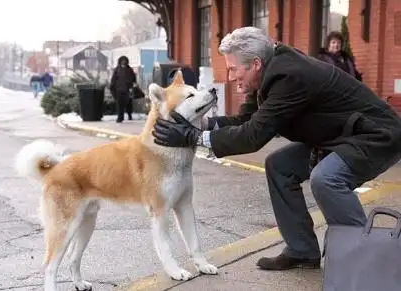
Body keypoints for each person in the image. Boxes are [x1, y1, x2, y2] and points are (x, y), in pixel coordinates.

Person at [151, 27, 401, 270]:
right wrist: (199, 124)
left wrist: (192, 137)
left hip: (375, 134)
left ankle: (365, 257)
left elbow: (252, 136)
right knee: (279, 166)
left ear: (256, 64)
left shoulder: (289, 77)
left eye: (232, 69)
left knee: (326, 178)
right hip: (339, 135)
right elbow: (246, 121)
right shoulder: (267, 73)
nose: (230, 77)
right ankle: (302, 250)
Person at [109, 56, 137, 122]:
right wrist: (112, 86)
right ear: (120, 61)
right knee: (119, 104)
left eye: (124, 60)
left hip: (127, 89)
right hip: (119, 90)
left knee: (128, 103)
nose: (123, 62)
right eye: (122, 60)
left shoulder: (129, 69)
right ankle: (120, 117)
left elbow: (133, 78)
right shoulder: (117, 69)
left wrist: (132, 85)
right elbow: (113, 79)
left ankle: (129, 114)